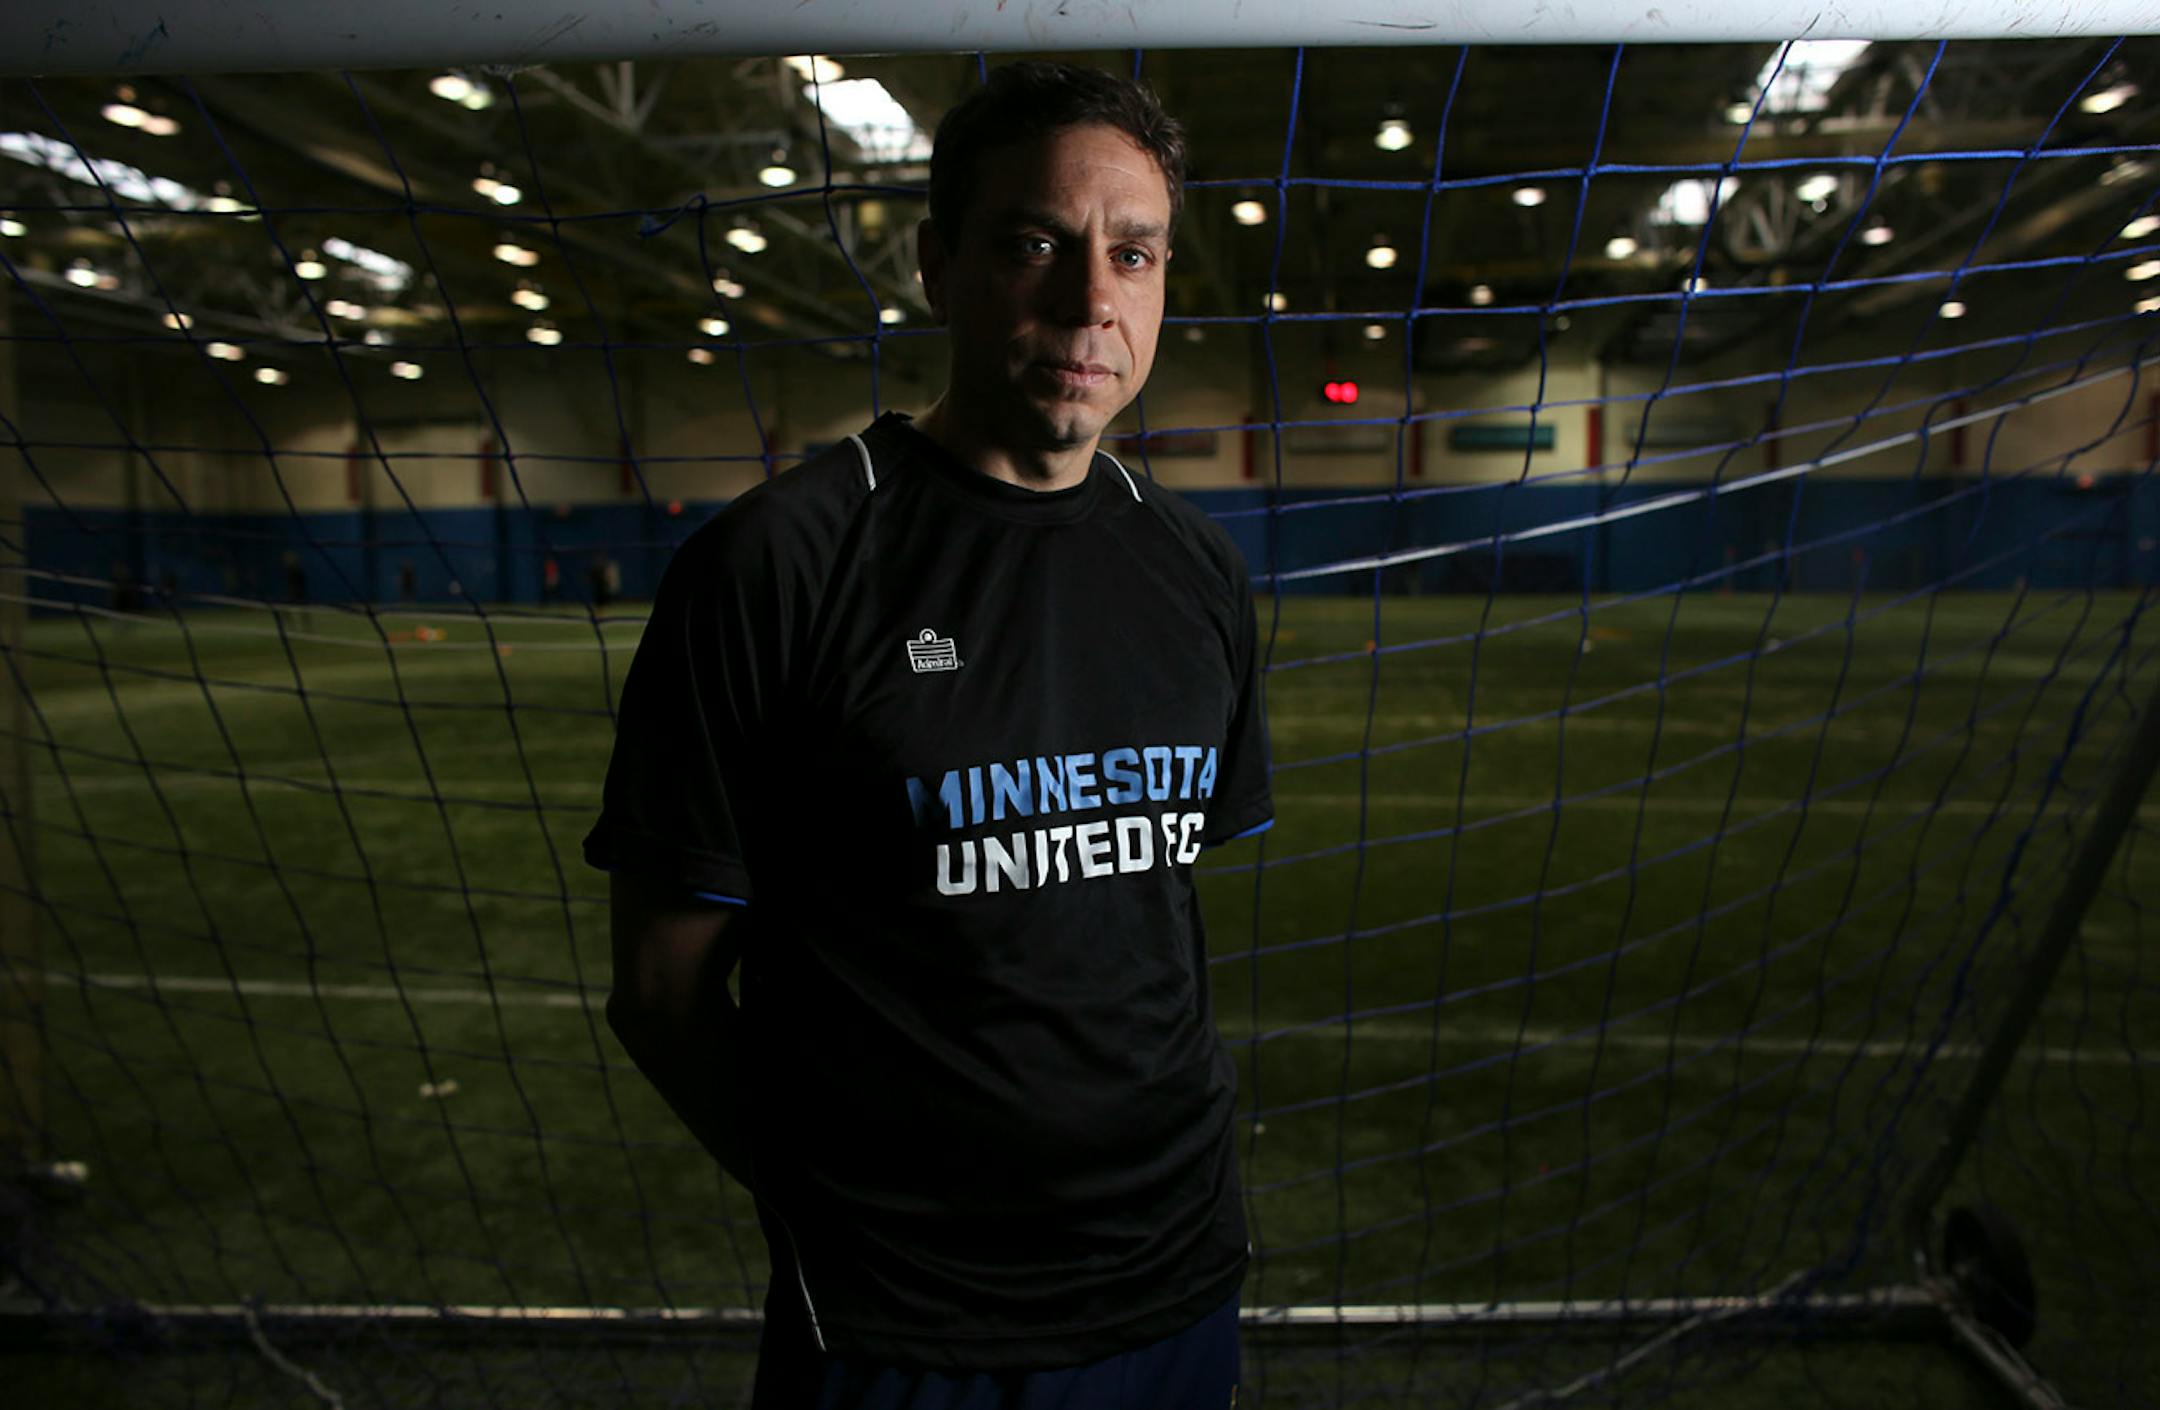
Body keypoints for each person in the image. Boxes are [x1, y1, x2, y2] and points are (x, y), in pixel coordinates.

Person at [584, 60, 1271, 1410]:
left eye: (1133, 255)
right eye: (1036, 245)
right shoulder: (776, 566)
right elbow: (662, 997)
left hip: (1181, 1282)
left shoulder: (1193, 570)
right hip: (906, 1333)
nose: (1091, 302)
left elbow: (1148, 920)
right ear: (937, 265)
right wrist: (859, 1217)